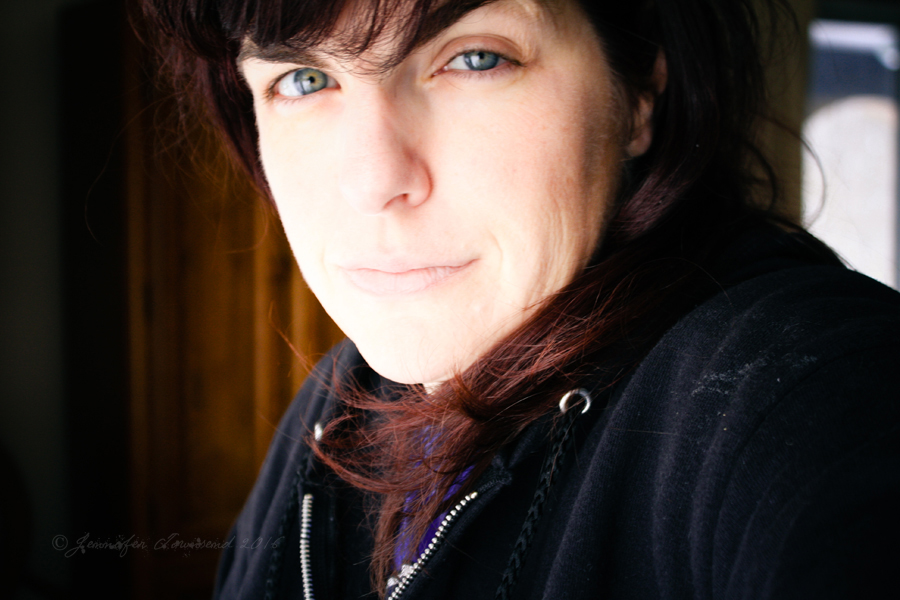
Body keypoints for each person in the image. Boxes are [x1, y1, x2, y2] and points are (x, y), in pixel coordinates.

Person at [142, 0, 900, 598]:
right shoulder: (336, 407)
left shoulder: (804, 388)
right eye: (303, 80)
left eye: (476, 58)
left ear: (637, 93)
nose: (373, 181)